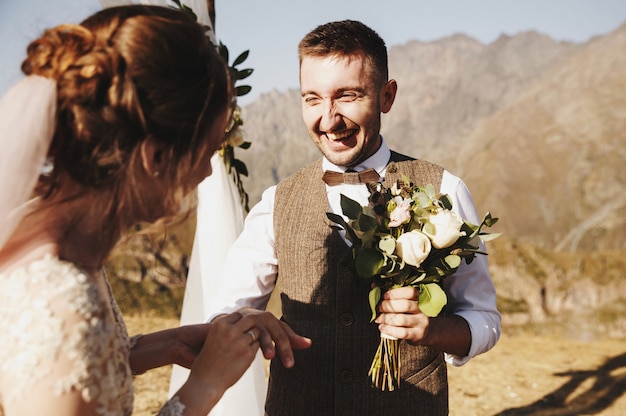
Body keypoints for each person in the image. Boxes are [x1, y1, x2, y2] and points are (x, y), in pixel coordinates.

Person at [0, 5, 310, 416]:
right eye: (206, 151)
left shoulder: (59, 244)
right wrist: (204, 386)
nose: (204, 172)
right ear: (156, 156)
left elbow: (64, 370)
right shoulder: (60, 296)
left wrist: (156, 346)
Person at [204, 20, 501, 415]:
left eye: (347, 96)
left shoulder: (445, 189)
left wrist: (434, 331)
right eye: (312, 99)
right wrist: (247, 324)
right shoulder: (276, 202)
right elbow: (227, 314)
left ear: (386, 96)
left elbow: (484, 319)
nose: (329, 119)